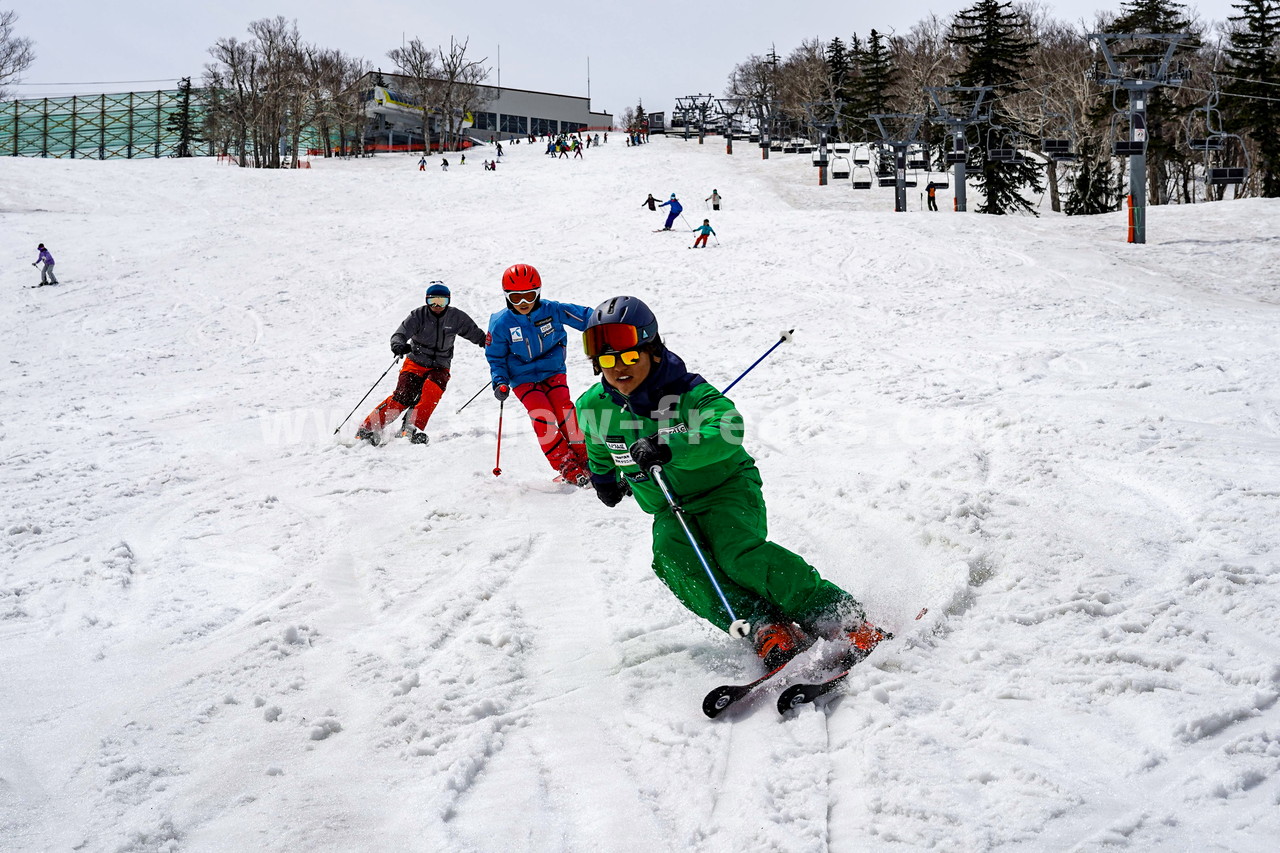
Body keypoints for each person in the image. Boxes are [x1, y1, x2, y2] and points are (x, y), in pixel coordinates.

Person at [576, 296, 890, 671]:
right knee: (673, 559)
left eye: (629, 357)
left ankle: (838, 616)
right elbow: (598, 442)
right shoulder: (593, 406)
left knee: (736, 553)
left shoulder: (689, 393)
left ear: (652, 352)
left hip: (724, 488)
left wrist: (669, 446)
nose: (618, 369)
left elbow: (728, 428)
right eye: (608, 360)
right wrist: (603, 477)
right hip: (668, 506)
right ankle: (763, 625)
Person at [485, 264, 593, 486]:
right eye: (516, 298)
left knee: (564, 411)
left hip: (552, 369)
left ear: (538, 293)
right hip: (522, 377)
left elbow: (586, 317)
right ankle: (566, 463)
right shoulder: (501, 323)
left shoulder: (551, 310)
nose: (523, 303)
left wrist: (609, 324)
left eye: (529, 296)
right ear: (507, 297)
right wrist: (500, 382)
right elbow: (495, 357)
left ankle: (587, 458)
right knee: (542, 415)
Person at [355, 282, 486, 446]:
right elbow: (400, 333)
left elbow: (474, 333)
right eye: (433, 302)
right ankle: (368, 428)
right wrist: (398, 345)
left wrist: (489, 343)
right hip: (416, 362)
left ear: (449, 301)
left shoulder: (456, 317)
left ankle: (410, 428)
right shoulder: (418, 315)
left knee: (432, 392)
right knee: (402, 397)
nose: (437, 306)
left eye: (442, 302)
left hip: (440, 365)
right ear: (426, 301)